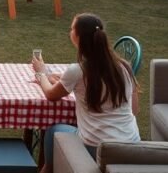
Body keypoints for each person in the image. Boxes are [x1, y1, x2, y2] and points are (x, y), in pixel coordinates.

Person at [34, 13, 140, 173]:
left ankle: (48, 169)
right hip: (131, 145)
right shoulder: (124, 66)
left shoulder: (78, 70)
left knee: (53, 131)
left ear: (78, 37)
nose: (69, 31)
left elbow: (50, 94)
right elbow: (134, 110)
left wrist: (41, 73)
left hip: (96, 147)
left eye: (71, 29)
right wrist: (64, 81)